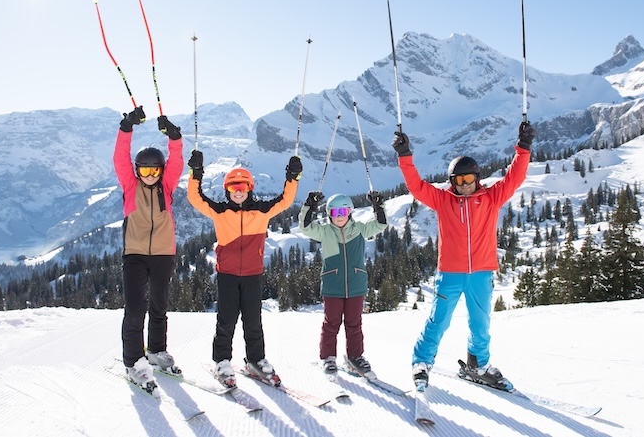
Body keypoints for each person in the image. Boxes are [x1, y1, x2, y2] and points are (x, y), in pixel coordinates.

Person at [391, 120, 536, 390]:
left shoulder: (491, 197)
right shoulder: (443, 200)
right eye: (459, 181)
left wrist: (523, 147)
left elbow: (514, 178)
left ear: (477, 179)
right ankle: (421, 362)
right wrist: (404, 156)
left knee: (480, 325)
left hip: (481, 272)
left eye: (469, 179)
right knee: (439, 320)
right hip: (451, 273)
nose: (465, 185)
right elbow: (417, 186)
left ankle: (478, 364)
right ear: (452, 182)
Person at [186, 149, 302, 388]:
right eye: (233, 188)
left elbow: (285, 200)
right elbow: (196, 199)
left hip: (252, 275)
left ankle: (256, 359)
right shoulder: (220, 211)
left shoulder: (261, 211)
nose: (238, 192)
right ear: (227, 190)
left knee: (253, 320)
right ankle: (222, 361)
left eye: (243, 187)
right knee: (226, 320)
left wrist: (292, 178)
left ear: (250, 188)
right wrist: (195, 174)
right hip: (227, 275)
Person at [113, 105, 184, 390]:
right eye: (145, 170)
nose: (151, 175)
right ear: (138, 171)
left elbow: (177, 162)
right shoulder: (131, 187)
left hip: (163, 254)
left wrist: (174, 138)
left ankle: (156, 351)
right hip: (135, 254)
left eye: (155, 169)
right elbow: (120, 159)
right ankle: (134, 361)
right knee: (134, 308)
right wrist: (127, 127)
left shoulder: (166, 187)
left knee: (159, 306)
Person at [299, 191, 388, 379]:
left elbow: (380, 224)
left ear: (350, 212)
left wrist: (378, 207)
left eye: (343, 211)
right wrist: (310, 206)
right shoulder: (325, 231)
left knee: (354, 323)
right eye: (335, 212)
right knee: (331, 323)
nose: (339, 216)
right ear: (329, 214)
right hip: (333, 285)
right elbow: (305, 227)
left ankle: (355, 357)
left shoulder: (360, 229)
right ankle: (328, 358)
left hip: (356, 285)